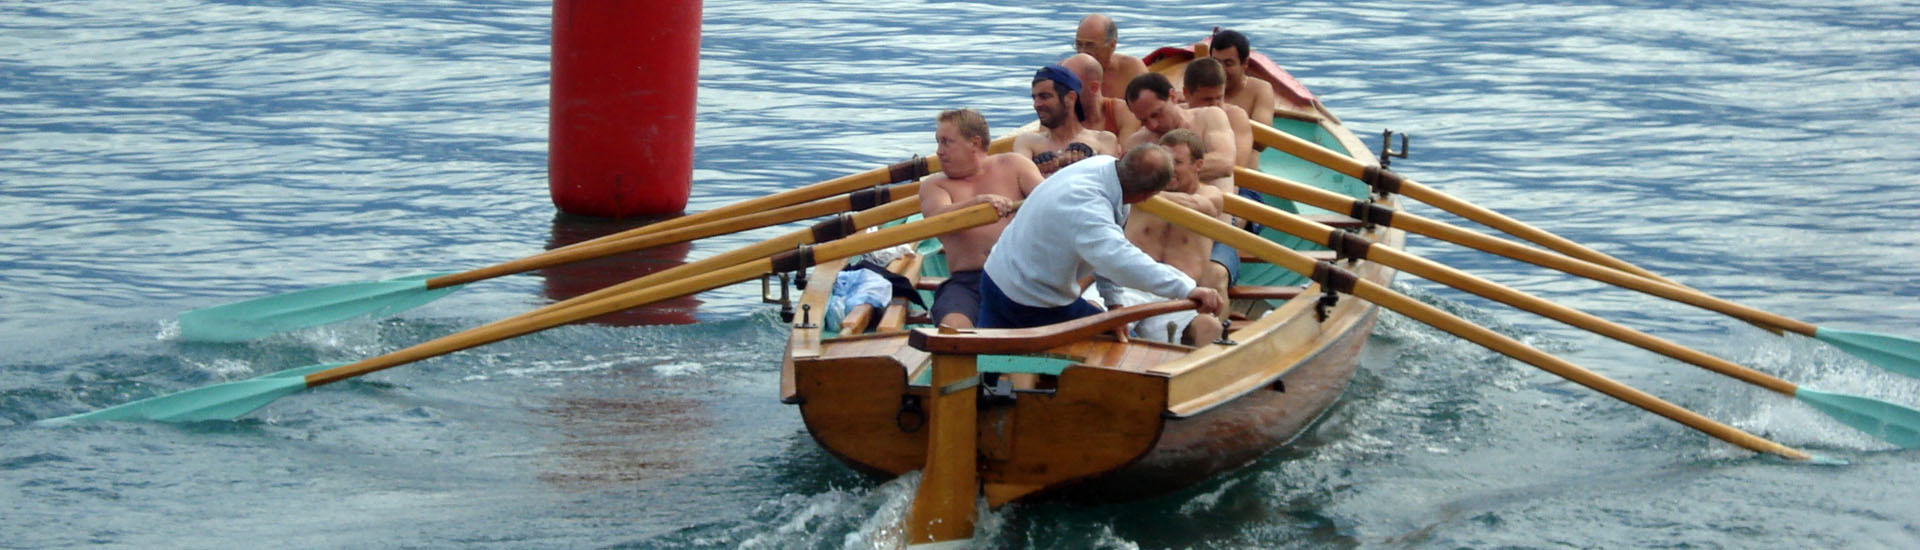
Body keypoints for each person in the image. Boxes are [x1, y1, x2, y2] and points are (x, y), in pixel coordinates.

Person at [978, 144, 1222, 330]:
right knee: (1120, 344)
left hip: (995, 275)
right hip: (1029, 299)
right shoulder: (1089, 210)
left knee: (986, 374)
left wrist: (1114, 305)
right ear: (1148, 195)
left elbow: (1105, 256)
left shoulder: (1104, 167)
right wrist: (1187, 288)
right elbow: (1119, 260)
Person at [1121, 72, 1245, 308]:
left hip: (1213, 231)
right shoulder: (1137, 142)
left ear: (1173, 96)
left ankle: (1215, 338)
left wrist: (1157, 172)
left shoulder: (1210, 117)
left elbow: (1225, 162)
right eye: (1144, 120)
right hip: (1159, 234)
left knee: (1214, 276)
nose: (1153, 125)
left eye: (1156, 114)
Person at [920, 109, 1044, 328]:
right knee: (952, 327)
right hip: (968, 283)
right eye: (938, 142)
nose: (939, 152)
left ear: (974, 143)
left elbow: (1050, 204)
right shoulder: (934, 185)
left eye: (947, 142)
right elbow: (934, 221)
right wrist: (977, 204)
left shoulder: (1014, 165)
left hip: (1022, 277)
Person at [1112, 130, 1226, 345]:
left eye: (1177, 162)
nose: (1169, 169)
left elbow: (1204, 207)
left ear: (1198, 165)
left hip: (1179, 294)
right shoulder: (1137, 189)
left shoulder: (1210, 195)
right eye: (1165, 161)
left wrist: (1146, 192)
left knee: (1209, 328)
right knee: (1093, 314)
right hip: (1130, 283)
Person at [1013, 64, 1119, 176]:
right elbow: (1018, 176)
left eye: (1044, 97)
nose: (1036, 105)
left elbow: (1108, 180)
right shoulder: (1027, 142)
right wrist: (1064, 161)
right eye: (1035, 98)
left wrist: (1055, 165)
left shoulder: (1104, 139)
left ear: (1070, 98)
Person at [1181, 57, 1258, 170]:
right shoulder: (1175, 114)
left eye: (1219, 98)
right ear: (1186, 94)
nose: (1215, 106)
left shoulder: (1236, 117)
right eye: (1207, 100)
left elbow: (1237, 165)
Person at [1060, 53, 1140, 142]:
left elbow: (1127, 154)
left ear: (1094, 88)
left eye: (1070, 86)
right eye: (1060, 86)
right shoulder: (1057, 115)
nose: (1063, 94)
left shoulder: (1123, 113)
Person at [1074, 14, 1150, 106]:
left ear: (1112, 45)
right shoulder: (1067, 71)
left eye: (1091, 46)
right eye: (1079, 45)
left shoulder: (1131, 70)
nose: (1083, 52)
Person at [1209, 30, 1277, 129]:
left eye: (1228, 63)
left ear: (1245, 63)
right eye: (1216, 62)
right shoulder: (1200, 85)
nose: (1220, 70)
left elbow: (1263, 138)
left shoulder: (1261, 90)